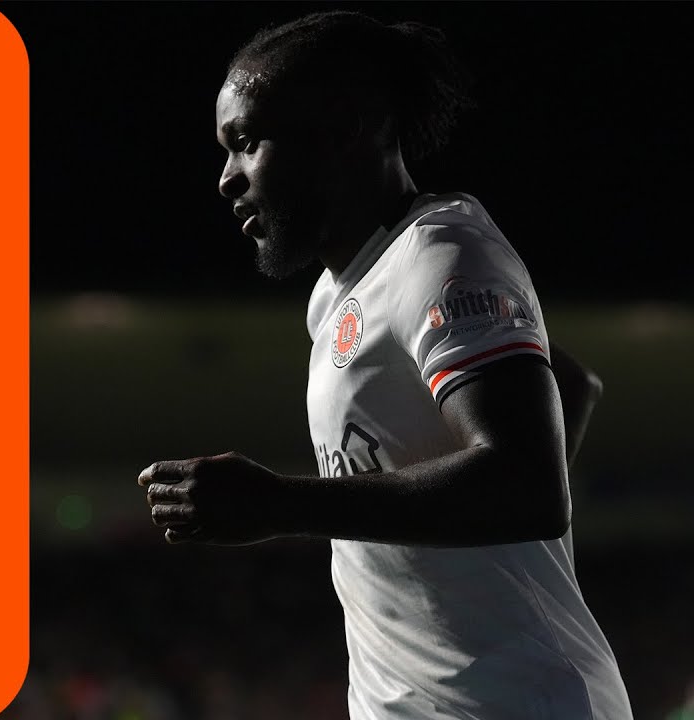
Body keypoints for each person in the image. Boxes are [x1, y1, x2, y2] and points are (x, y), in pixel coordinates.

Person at [138, 11, 632, 719]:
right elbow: (568, 384)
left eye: (246, 143)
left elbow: (528, 485)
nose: (226, 180)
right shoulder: (338, 292)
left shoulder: (443, 256)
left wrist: (279, 503)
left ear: (347, 124)